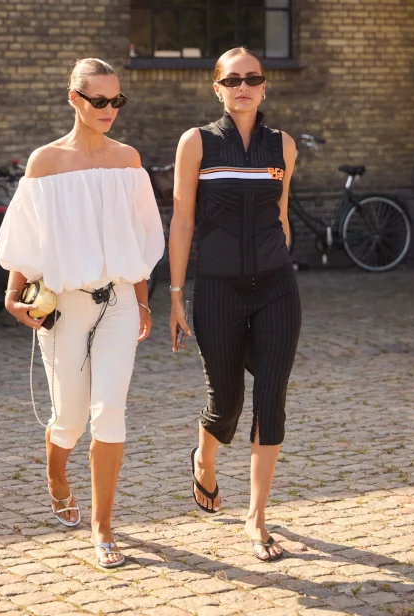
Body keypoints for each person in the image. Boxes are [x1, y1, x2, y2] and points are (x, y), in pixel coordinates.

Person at [0, 58, 164, 568]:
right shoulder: (45, 162)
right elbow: (25, 238)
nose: (109, 109)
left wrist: (142, 300)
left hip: (117, 301)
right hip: (65, 303)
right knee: (68, 419)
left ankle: (103, 527)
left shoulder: (128, 160)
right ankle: (56, 475)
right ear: (74, 98)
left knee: (109, 409)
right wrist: (13, 294)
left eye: (117, 100)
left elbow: (139, 238)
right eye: (99, 100)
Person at [169, 47, 301, 561]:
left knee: (270, 398)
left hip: (276, 287)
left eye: (252, 78)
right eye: (232, 80)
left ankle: (256, 517)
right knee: (226, 402)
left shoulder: (282, 145)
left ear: (264, 86)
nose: (242, 87)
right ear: (218, 88)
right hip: (218, 288)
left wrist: (278, 260)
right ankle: (204, 460)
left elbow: (281, 214)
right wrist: (176, 296)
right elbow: (183, 221)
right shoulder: (197, 143)